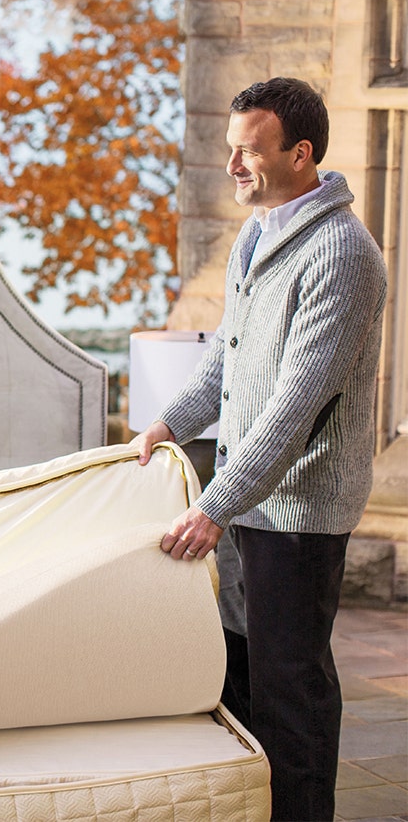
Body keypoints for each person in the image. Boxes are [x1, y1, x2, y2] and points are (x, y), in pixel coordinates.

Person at [134, 78, 387, 822]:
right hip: (248, 501)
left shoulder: (343, 255)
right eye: (230, 150)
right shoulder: (259, 231)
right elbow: (226, 362)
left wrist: (212, 508)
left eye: (248, 151)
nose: (233, 167)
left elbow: (294, 408)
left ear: (300, 153)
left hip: (300, 512)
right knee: (238, 674)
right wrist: (164, 425)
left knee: (290, 687)